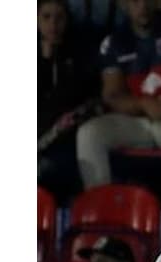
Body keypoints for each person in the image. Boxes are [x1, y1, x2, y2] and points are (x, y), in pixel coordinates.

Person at [76, 0, 161, 201]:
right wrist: (143, 104)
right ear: (124, 4)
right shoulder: (115, 42)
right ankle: (101, 212)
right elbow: (112, 95)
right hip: (137, 120)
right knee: (89, 133)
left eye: (147, 1)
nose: (142, 6)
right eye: (135, 1)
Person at [39, 0, 101, 201]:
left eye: (59, 18)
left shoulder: (79, 55)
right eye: (46, 17)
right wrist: (45, 61)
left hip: (65, 139)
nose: (53, 24)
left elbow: (73, 98)